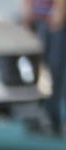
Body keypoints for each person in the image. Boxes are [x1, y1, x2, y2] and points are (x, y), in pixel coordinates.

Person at [24, 0, 66, 135]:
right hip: (38, 19)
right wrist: (26, 10)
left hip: (55, 20)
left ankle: (52, 118)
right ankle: (35, 116)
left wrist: (59, 10)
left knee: (54, 70)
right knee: (35, 69)